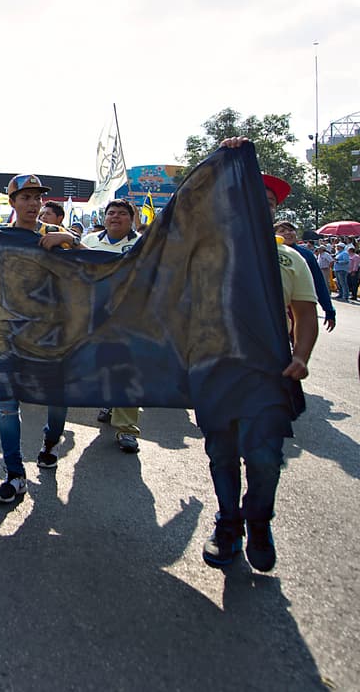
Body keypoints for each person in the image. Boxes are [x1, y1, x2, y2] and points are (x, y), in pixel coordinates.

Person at [200, 139, 316, 573]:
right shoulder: (211, 256)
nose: (261, 206)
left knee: (265, 459)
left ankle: (259, 522)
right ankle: (228, 523)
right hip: (219, 373)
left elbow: (305, 315)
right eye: (253, 197)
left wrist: (301, 356)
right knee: (222, 455)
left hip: (270, 374)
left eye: (268, 201)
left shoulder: (290, 260)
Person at [0, 174, 79, 506]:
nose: (32, 203)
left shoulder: (53, 236)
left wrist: (68, 237)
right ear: (12, 202)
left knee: (57, 400)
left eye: (36, 197)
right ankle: (15, 475)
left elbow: (92, 264)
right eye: (25, 197)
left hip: (50, 335)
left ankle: (50, 443)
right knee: (6, 408)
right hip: (8, 334)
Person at [82, 198, 145, 452]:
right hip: (96, 317)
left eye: (122, 213)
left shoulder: (142, 244)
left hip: (131, 318)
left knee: (127, 372)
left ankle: (127, 429)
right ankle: (108, 400)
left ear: (132, 219)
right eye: (111, 213)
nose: (115, 217)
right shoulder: (89, 242)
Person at [275, 222, 337, 333]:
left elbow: (318, 283)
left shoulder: (306, 255)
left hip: (299, 306)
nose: (287, 233)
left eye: (290, 230)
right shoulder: (266, 252)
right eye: (282, 231)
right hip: (275, 307)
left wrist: (329, 310)